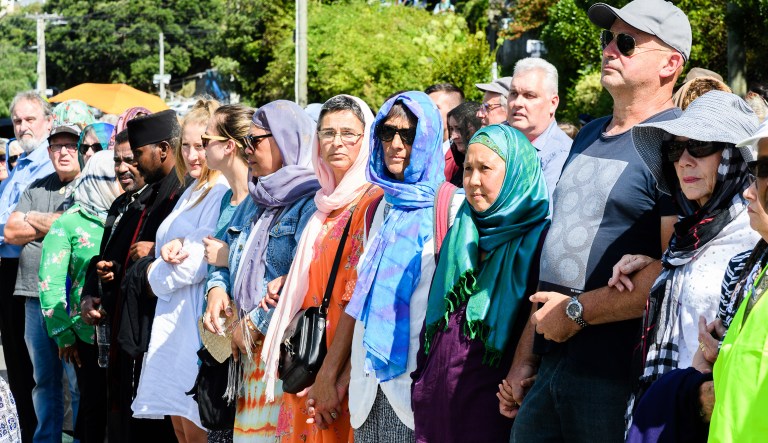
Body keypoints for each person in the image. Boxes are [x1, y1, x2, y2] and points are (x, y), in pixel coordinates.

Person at [507, 1, 692, 441]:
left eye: (626, 42)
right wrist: (525, 359)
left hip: (614, 377)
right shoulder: (589, 133)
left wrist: (576, 313)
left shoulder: (680, 143)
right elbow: (556, 257)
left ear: (670, 63)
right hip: (550, 364)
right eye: (607, 39)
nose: (610, 49)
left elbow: (675, 269)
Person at [610, 91, 760, 428]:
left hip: (715, 418)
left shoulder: (753, 235)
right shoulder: (690, 235)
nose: (684, 160)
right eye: (676, 149)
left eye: (701, 146)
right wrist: (659, 264)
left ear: (732, 156)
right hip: (669, 413)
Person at [413, 123, 549, 442]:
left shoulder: (540, 242)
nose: (473, 181)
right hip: (437, 410)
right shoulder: (461, 233)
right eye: (468, 168)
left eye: (485, 168)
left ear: (517, 172)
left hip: (495, 413)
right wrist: (421, 382)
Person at [260, 95, 383, 443]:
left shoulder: (371, 202)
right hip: (309, 350)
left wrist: (333, 374)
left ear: (368, 138)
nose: (336, 142)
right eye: (328, 133)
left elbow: (357, 293)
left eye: (349, 133)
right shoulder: (324, 204)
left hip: (338, 356)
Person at [202, 101, 321, 443]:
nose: (247, 150)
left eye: (256, 141)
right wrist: (217, 289)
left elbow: (302, 278)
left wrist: (254, 324)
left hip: (280, 359)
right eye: (246, 142)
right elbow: (223, 258)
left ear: (285, 140)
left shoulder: (310, 201)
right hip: (247, 360)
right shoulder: (256, 199)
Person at [344, 91, 456, 442]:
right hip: (367, 386)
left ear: (427, 140)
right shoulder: (379, 207)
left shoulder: (452, 209)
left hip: (416, 386)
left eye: (407, 134)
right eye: (386, 132)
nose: (395, 143)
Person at [80, 110, 184, 443]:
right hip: (128, 335)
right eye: (122, 159)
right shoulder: (140, 199)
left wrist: (156, 252)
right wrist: (101, 278)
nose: (133, 166)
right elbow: (112, 255)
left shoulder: (180, 195)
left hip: (160, 335)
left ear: (164, 150)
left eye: (137, 155)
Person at [131, 100, 228, 443]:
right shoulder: (193, 190)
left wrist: (156, 271)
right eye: (184, 145)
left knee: (196, 425)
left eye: (200, 145)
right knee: (179, 429)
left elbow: (196, 263)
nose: (192, 155)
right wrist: (162, 265)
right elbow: (172, 262)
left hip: (194, 326)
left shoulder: (220, 191)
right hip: (173, 324)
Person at [4, 121, 83, 442]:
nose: (63, 152)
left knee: (77, 381)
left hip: (72, 299)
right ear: (48, 151)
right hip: (34, 297)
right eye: (56, 146)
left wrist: (33, 221)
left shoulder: (89, 185)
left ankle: (81, 437)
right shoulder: (36, 187)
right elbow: (10, 231)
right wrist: (55, 223)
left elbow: (79, 228)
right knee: (43, 380)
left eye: (70, 145)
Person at [38, 150, 123, 443]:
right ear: (98, 179)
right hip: (85, 335)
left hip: (126, 332)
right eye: (114, 175)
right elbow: (49, 284)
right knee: (92, 410)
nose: (123, 178)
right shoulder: (68, 223)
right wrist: (63, 335)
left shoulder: (130, 213)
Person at [0, 91, 54, 441]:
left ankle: (35, 433)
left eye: (30, 119)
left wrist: (18, 225)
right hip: (8, 271)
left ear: (48, 122)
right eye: (18, 120)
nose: (22, 126)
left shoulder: (49, 163)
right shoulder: (22, 164)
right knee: (18, 364)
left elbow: (17, 227)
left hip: (30, 272)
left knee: (34, 368)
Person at [508, 57, 572, 204]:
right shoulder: (496, 139)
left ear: (553, 103)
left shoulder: (562, 155)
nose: (517, 103)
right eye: (513, 93)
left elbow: (541, 216)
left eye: (529, 96)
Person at [445, 101, 481, 186]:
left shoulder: (489, 163)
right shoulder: (459, 167)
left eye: (460, 129)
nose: (454, 136)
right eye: (451, 129)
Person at [425, 83, 464, 154]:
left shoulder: (462, 154)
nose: (427, 112)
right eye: (426, 107)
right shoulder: (421, 149)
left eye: (435, 107)